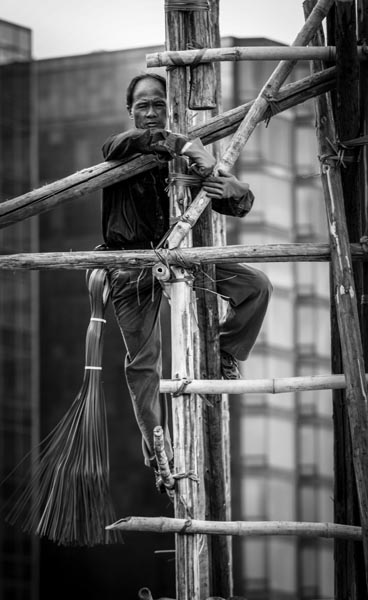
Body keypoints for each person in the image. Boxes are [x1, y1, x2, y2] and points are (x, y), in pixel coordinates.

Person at [101, 73, 272, 491]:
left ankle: (224, 350)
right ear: (130, 111)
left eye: (158, 104)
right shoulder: (124, 148)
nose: (151, 113)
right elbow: (118, 145)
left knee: (255, 286)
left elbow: (236, 203)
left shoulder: (187, 163)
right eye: (143, 105)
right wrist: (185, 145)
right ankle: (158, 452)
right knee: (144, 363)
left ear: (170, 107)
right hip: (132, 265)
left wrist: (235, 189)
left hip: (184, 258)